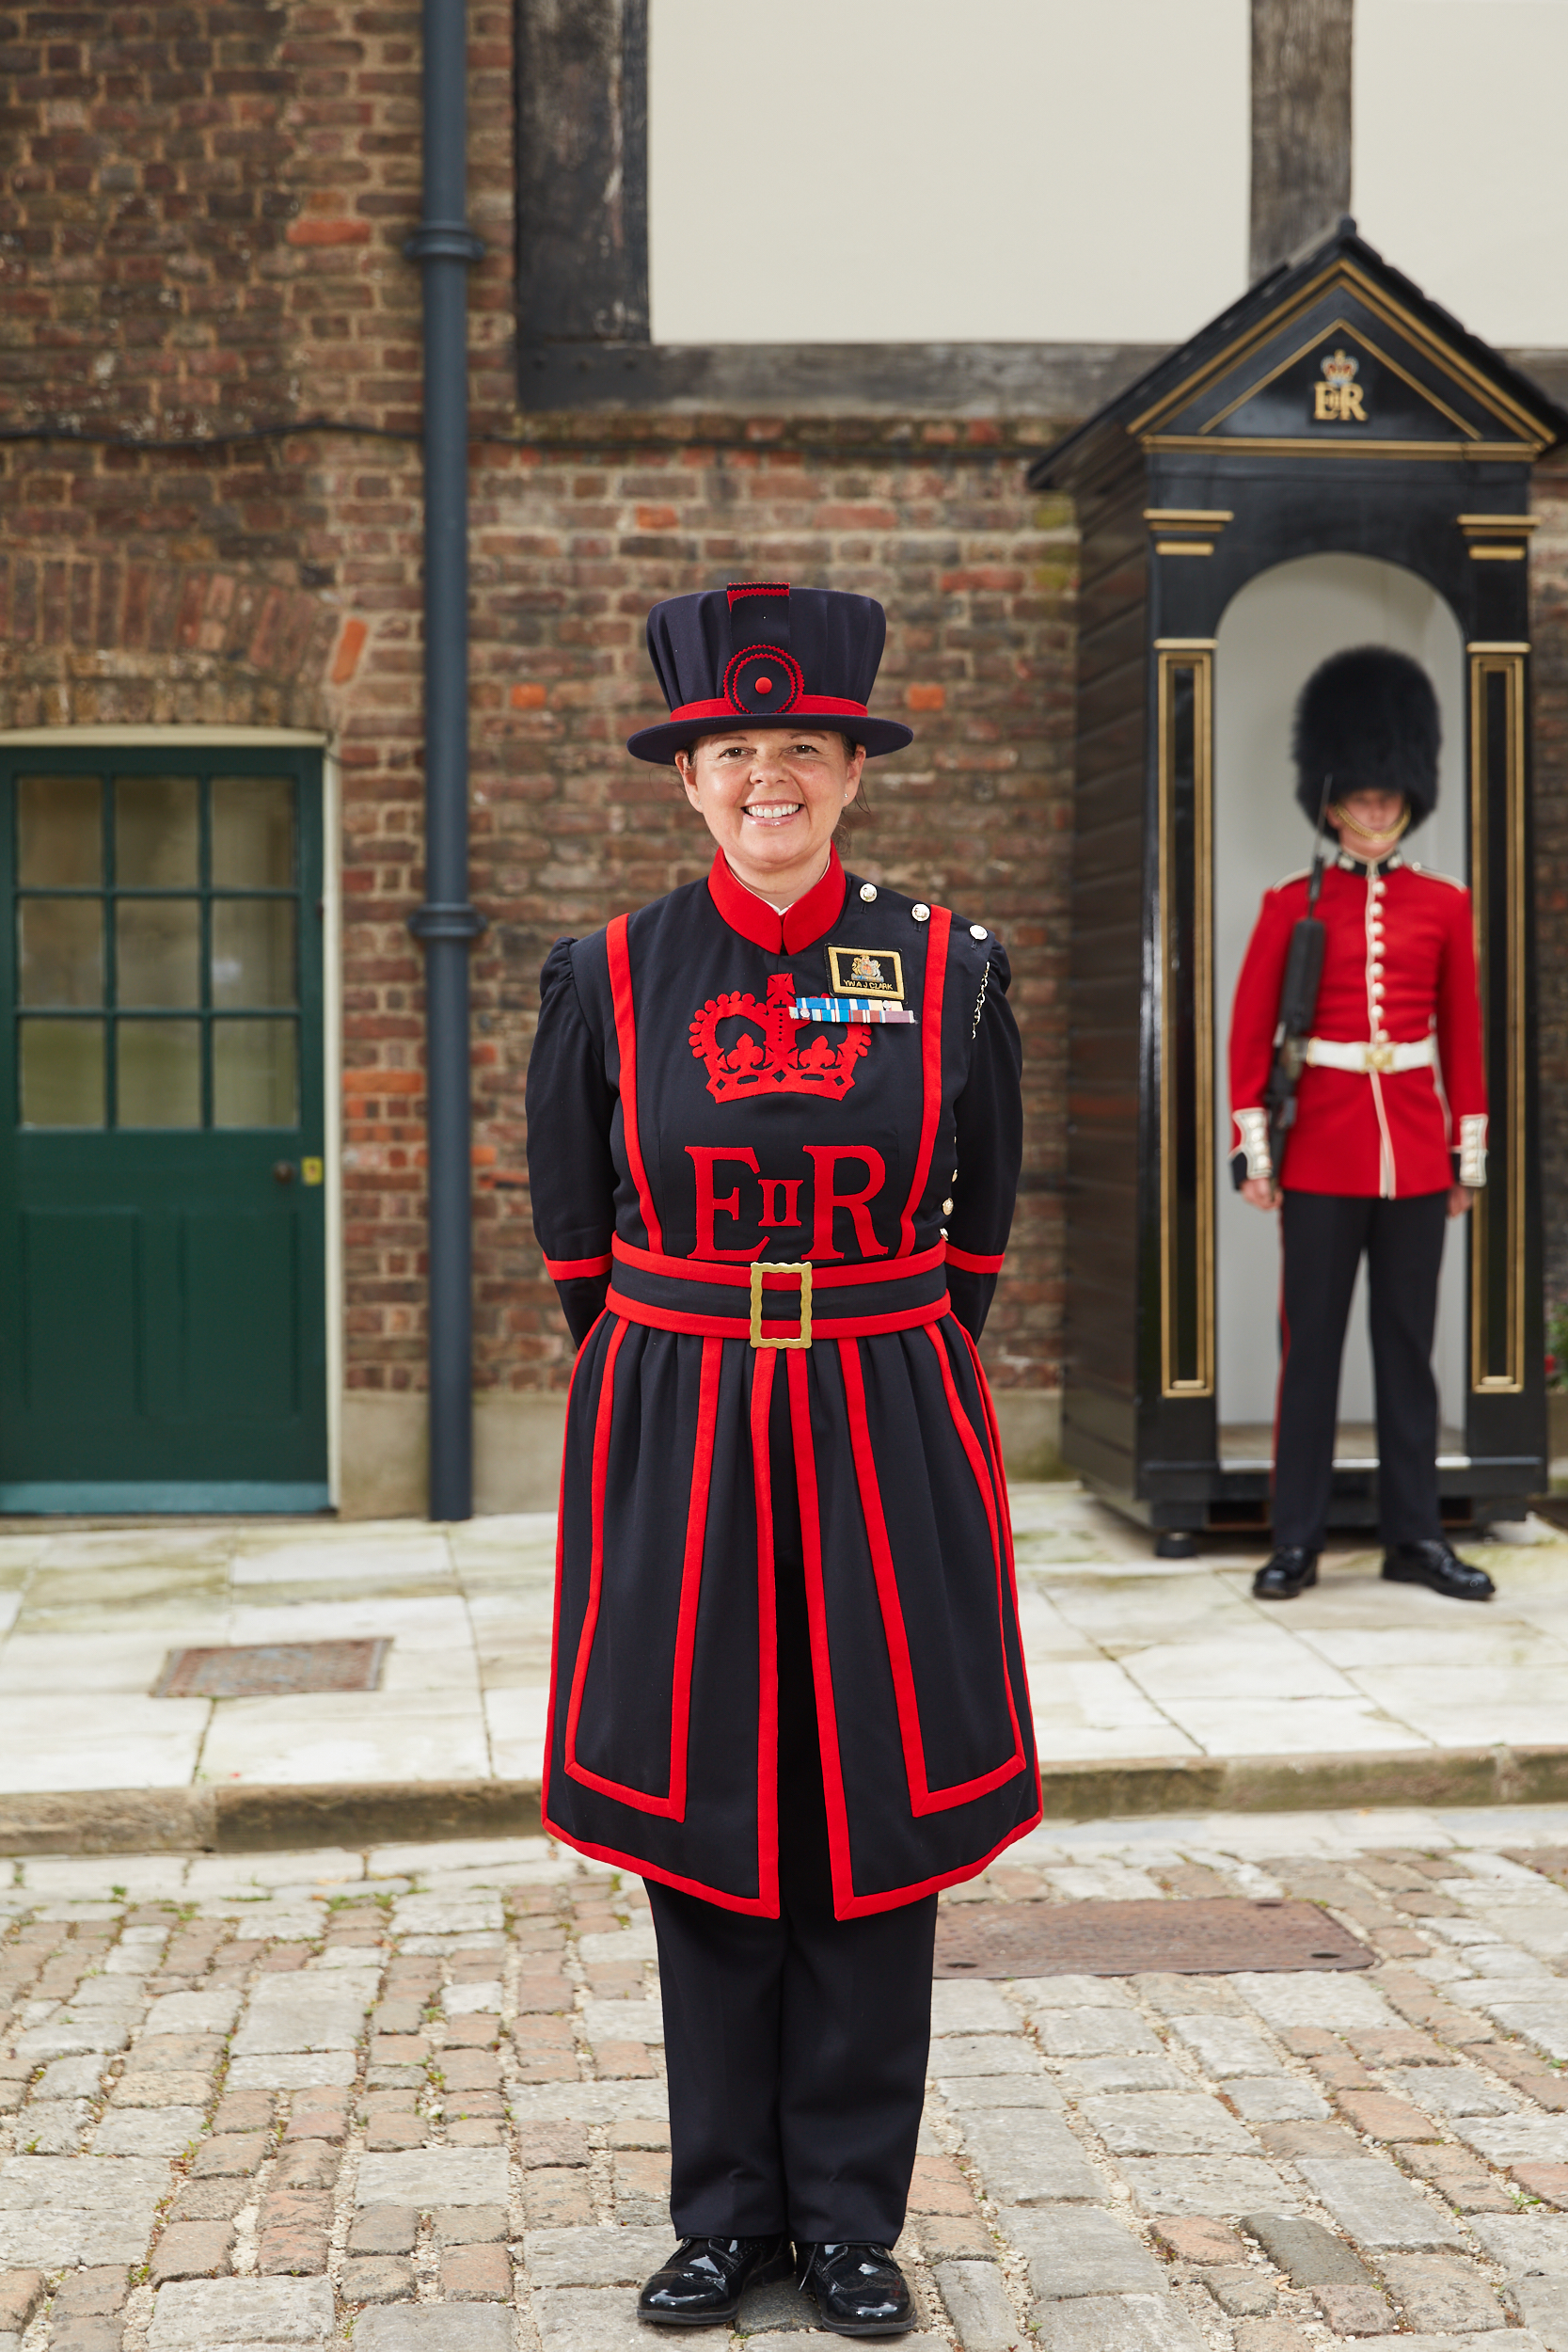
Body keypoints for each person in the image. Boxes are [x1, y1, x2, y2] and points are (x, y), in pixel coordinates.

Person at [525, 580, 1040, 2335]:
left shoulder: (952, 965)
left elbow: (978, 1224)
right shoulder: (606, 973)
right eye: (733, 749)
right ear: (686, 777)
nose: (768, 778)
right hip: (681, 1414)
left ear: (849, 772)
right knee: (706, 1812)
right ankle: (720, 2214)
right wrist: (689, 1357)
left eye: (799, 750)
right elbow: (575, 1237)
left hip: (882, 1409)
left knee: (868, 1821)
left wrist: (861, 1341)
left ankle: (848, 2223)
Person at [1228, 644, 1494, 1604]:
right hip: (1320, 1156)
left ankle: (1412, 1537)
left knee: (1406, 1354)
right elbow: (1246, 1038)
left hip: (1416, 1159)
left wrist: (1465, 1154)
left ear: (1406, 798)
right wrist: (1254, 1151)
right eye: (1360, 797)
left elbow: (1463, 1041)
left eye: (1389, 797)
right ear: (1330, 798)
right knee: (1310, 1355)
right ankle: (1292, 1539)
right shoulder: (1284, 905)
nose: (1375, 812)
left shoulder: (1444, 907)